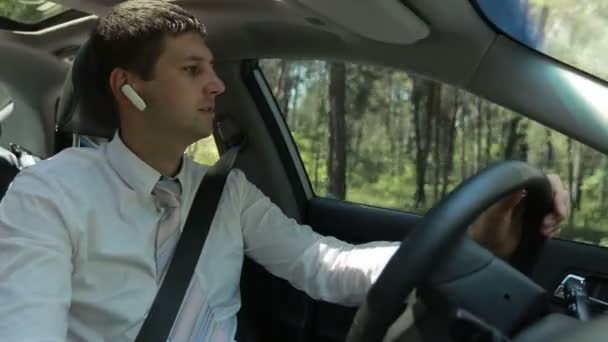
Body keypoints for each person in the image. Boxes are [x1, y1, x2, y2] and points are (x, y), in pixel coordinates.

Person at [0, 1, 568, 341]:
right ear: (130, 90)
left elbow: (324, 265)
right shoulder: (49, 195)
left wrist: (464, 241)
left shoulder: (227, 193)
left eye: (214, 69)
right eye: (193, 69)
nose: (217, 85)